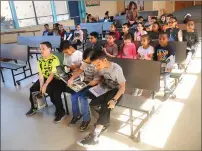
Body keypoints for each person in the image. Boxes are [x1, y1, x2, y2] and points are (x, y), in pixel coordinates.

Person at [77, 50, 126, 147]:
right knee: (92, 103)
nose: (97, 67)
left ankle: (95, 135)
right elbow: (102, 78)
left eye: (98, 64)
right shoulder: (101, 68)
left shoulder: (116, 69)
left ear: (104, 60)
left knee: (105, 106)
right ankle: (104, 121)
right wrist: (96, 84)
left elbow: (123, 87)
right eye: (95, 65)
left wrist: (114, 100)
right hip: (104, 88)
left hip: (115, 91)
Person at [26, 42, 67, 123]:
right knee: (33, 89)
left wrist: (45, 85)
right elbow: (41, 75)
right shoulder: (40, 60)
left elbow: (52, 74)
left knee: (54, 94)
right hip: (45, 78)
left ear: (49, 49)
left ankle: (61, 112)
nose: (41, 51)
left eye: (43, 49)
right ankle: (34, 107)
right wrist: (41, 86)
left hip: (56, 79)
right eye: (40, 49)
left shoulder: (54, 59)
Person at [68, 48, 101, 131]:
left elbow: (99, 80)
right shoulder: (85, 61)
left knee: (83, 97)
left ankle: (86, 119)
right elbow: (80, 70)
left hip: (96, 85)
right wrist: (72, 78)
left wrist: (92, 82)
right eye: (85, 61)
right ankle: (77, 115)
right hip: (86, 83)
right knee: (73, 96)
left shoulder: (97, 65)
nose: (85, 63)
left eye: (87, 62)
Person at [153, 32, 175, 97]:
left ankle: (167, 89)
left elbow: (171, 59)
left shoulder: (170, 47)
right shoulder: (157, 47)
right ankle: (155, 88)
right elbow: (155, 57)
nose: (161, 40)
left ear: (168, 39)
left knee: (166, 76)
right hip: (158, 65)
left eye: (163, 38)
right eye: (160, 39)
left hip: (167, 65)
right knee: (154, 75)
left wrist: (164, 64)